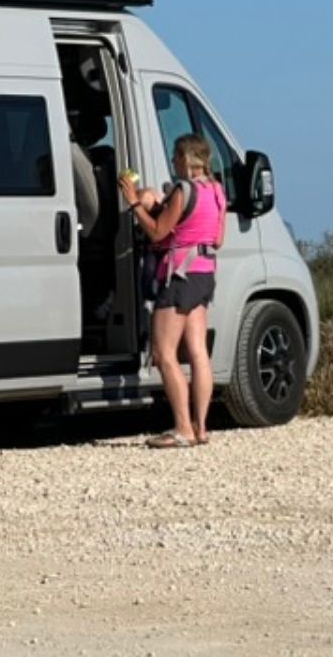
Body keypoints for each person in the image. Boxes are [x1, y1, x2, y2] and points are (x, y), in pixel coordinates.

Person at [121, 133, 226, 448]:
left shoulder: (184, 190)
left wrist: (135, 202)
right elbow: (218, 239)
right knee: (198, 352)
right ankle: (201, 427)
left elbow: (157, 232)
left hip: (179, 276)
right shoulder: (217, 190)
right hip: (204, 274)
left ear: (184, 158)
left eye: (174, 156)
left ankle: (182, 428)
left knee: (164, 353)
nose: (171, 161)